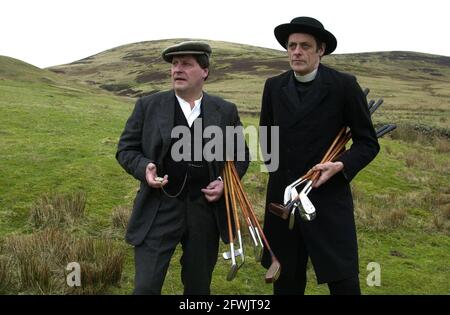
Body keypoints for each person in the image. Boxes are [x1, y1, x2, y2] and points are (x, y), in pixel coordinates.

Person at [116, 41, 249, 295]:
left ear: (205, 71)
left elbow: (241, 155)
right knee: (145, 287)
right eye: (174, 64)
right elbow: (126, 150)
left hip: (204, 211)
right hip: (158, 207)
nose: (177, 69)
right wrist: (144, 168)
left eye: (186, 64)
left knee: (198, 288)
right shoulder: (148, 106)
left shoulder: (225, 111)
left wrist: (224, 183)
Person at [259, 17, 380, 295]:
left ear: (320, 50)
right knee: (286, 283)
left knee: (344, 283)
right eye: (292, 46)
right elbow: (267, 140)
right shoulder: (273, 87)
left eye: (305, 46)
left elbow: (368, 143)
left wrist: (340, 165)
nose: (296, 51)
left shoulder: (344, 86)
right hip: (284, 202)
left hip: (327, 199)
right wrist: (281, 176)